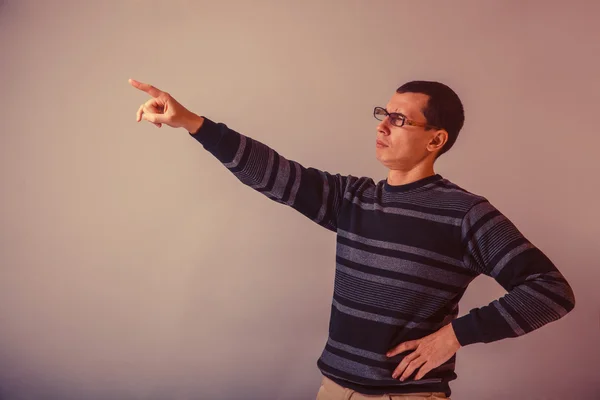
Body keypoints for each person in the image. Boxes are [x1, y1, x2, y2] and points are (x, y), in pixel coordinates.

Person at [129, 78, 576, 399]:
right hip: (334, 388)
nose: (382, 126)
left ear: (435, 139)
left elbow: (551, 291)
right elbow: (273, 172)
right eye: (384, 114)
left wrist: (454, 336)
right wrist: (191, 122)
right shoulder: (354, 199)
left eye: (400, 119)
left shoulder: (466, 213)